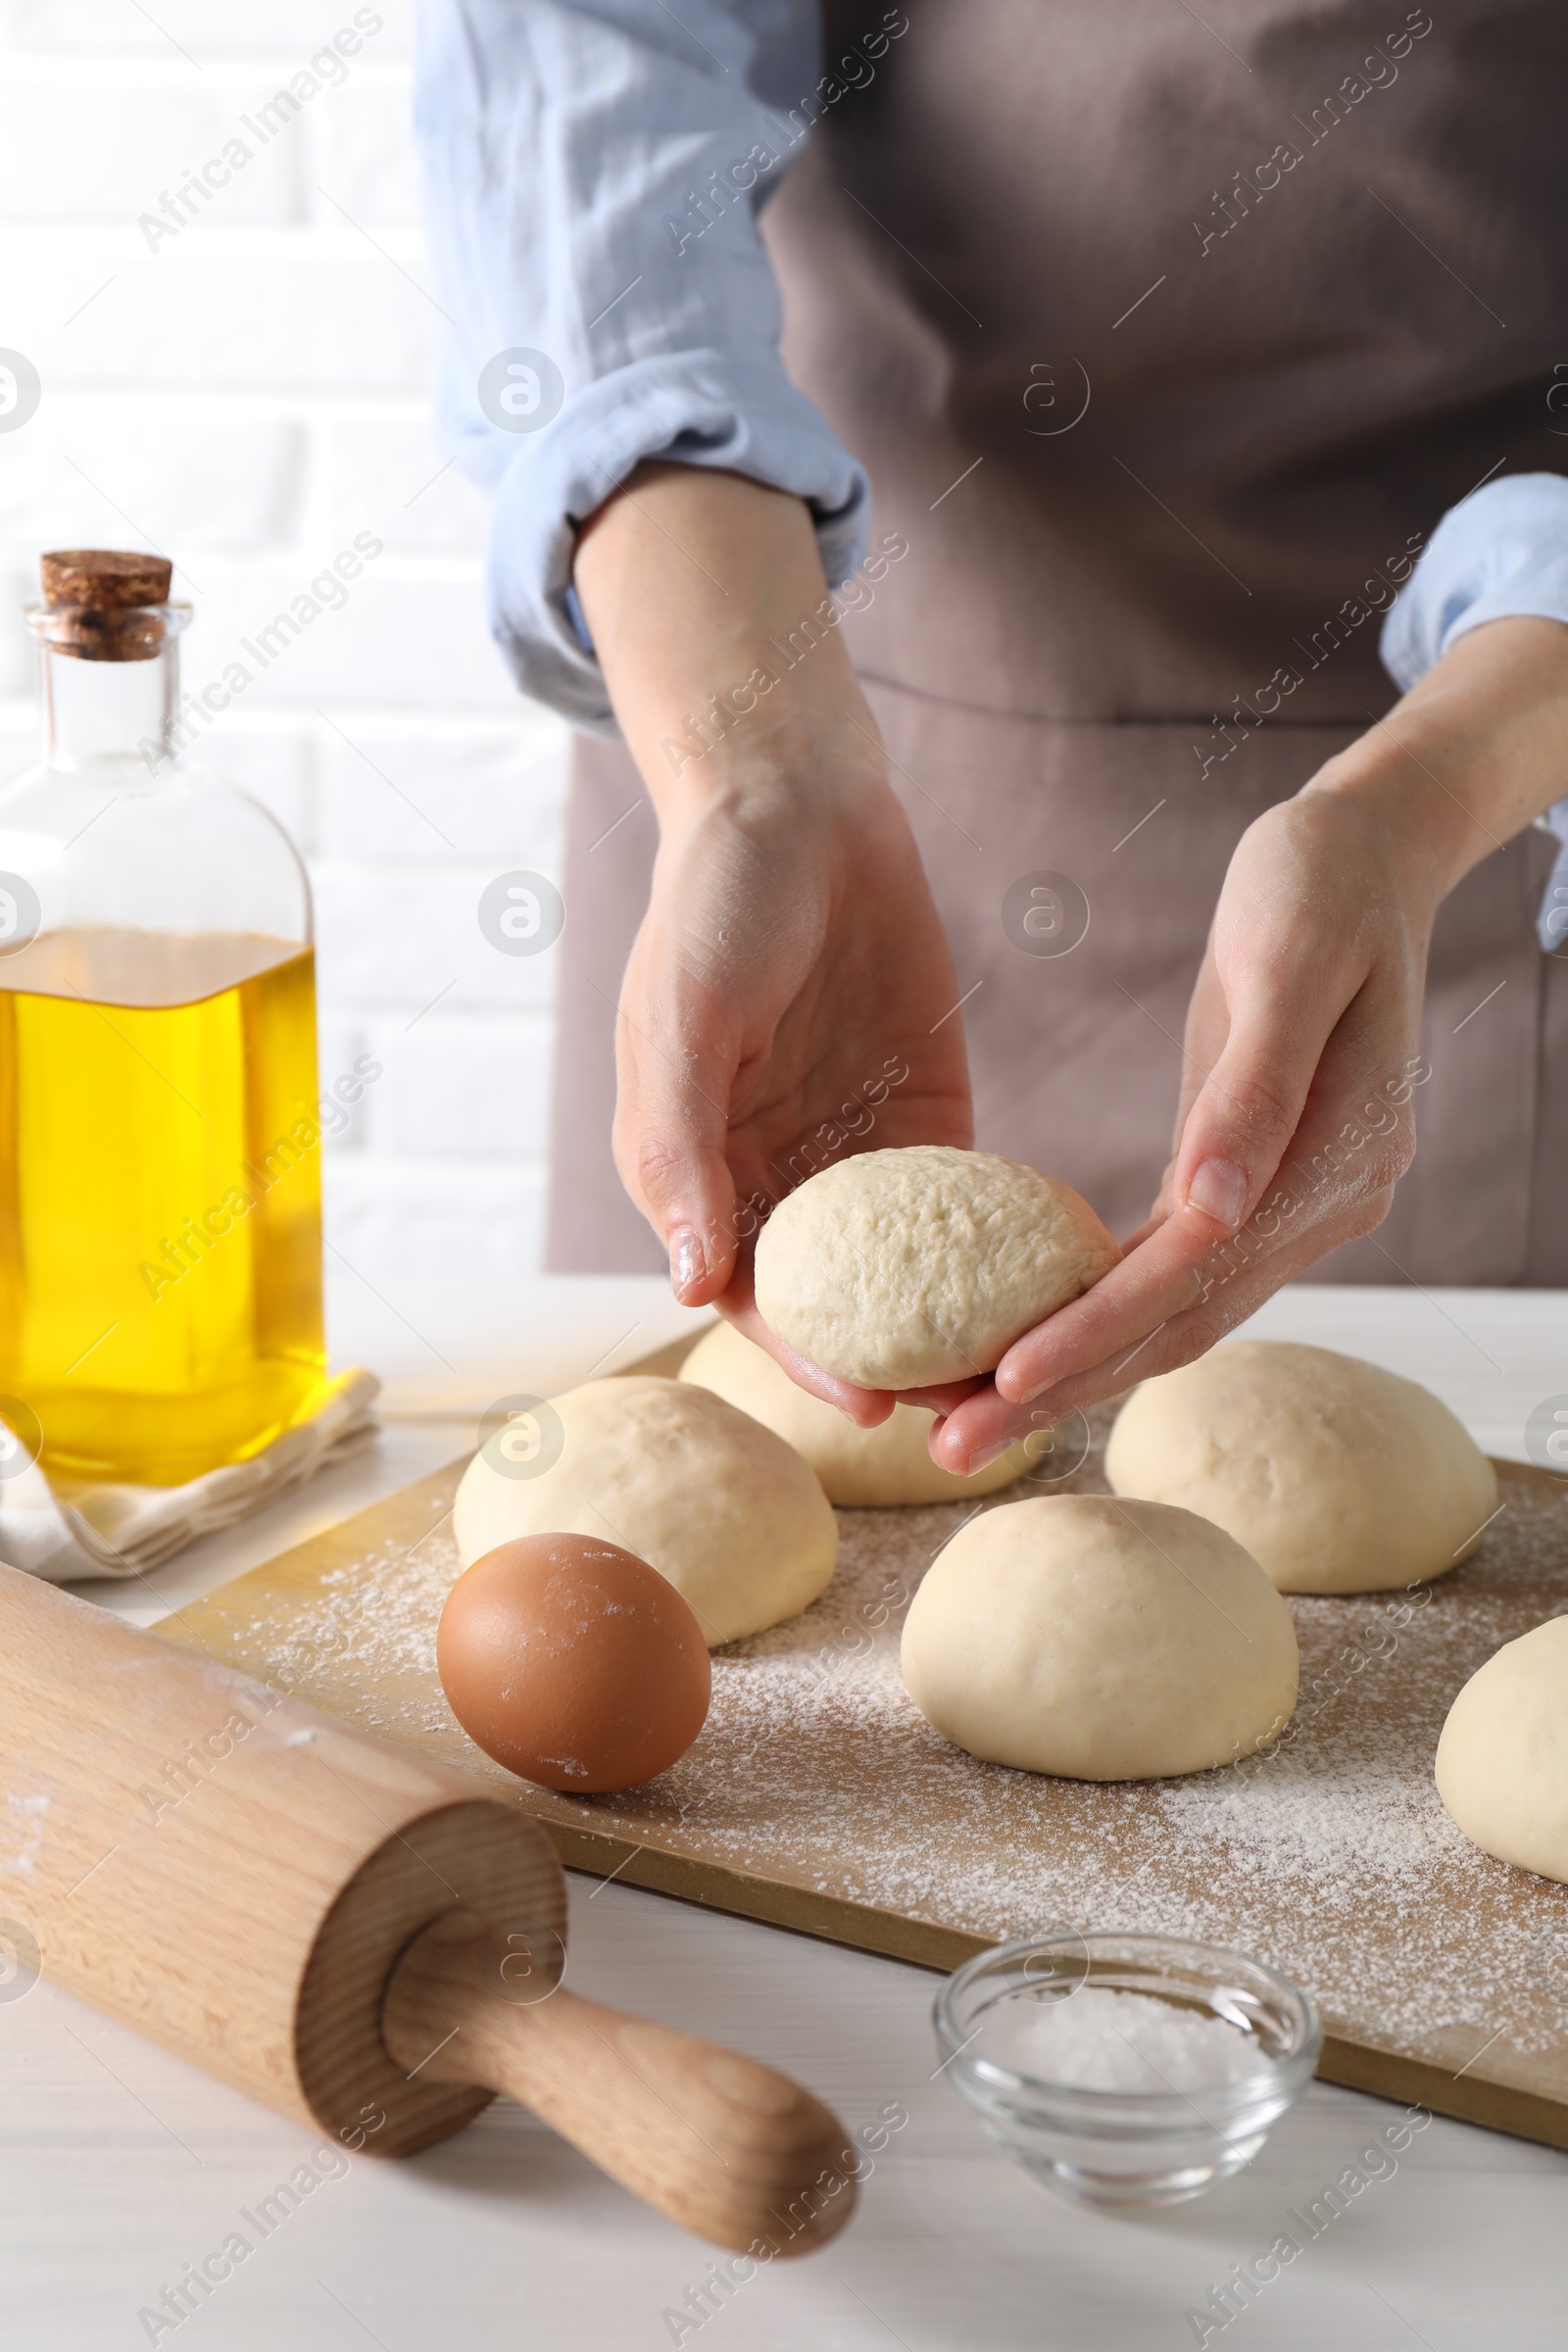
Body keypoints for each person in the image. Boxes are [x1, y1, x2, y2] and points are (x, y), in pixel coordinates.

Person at [416, 0, 1568, 1471]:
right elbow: (587, 45)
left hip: (1470, 829)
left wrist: (1415, 808)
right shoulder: (758, 773)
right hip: (770, 718)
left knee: (1366, 1528)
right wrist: (753, 764)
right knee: (647, 1543)